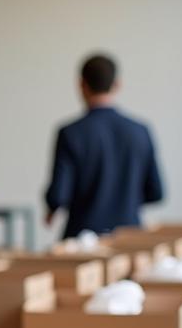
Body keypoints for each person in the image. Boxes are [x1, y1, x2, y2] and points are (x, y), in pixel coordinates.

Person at [44, 53, 164, 237]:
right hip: (130, 238)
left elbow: (58, 195)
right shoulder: (140, 131)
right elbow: (156, 192)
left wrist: (51, 210)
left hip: (82, 240)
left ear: (81, 84)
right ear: (117, 85)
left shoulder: (70, 133)